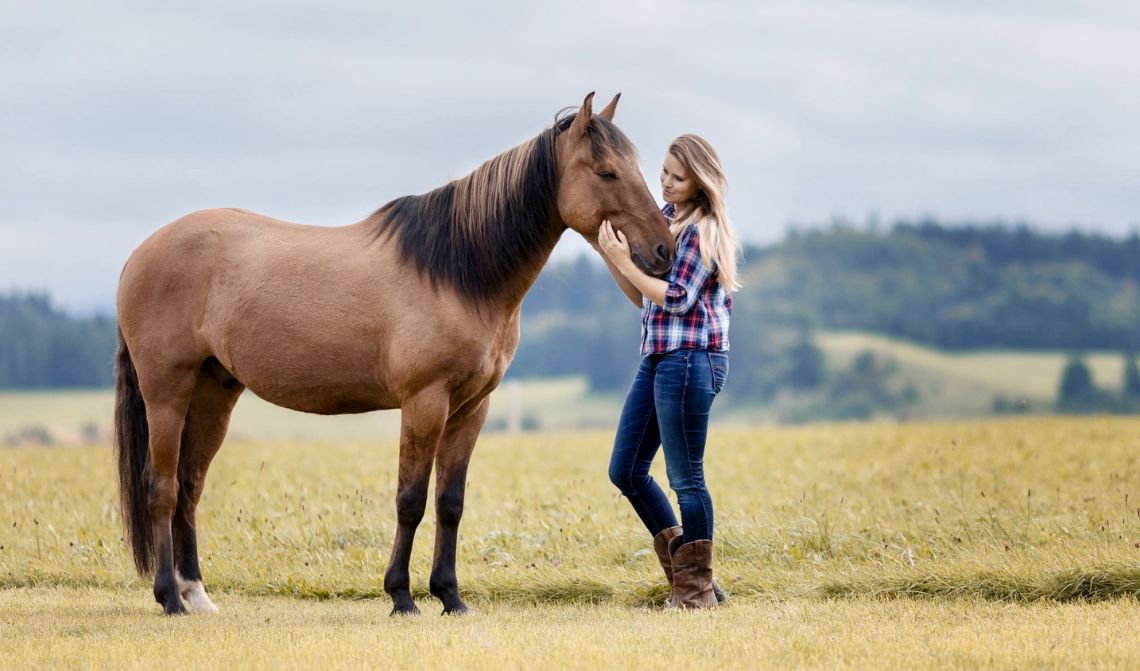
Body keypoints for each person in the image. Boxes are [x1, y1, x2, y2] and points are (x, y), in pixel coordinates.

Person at [597, 134, 739, 609]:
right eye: (663, 172)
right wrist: (612, 256)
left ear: (699, 181)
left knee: (686, 479)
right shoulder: (666, 221)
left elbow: (677, 299)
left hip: (691, 360)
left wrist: (625, 265)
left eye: (677, 177)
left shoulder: (704, 231)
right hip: (660, 356)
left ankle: (695, 593)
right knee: (626, 469)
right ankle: (691, 580)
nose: (666, 182)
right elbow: (642, 295)